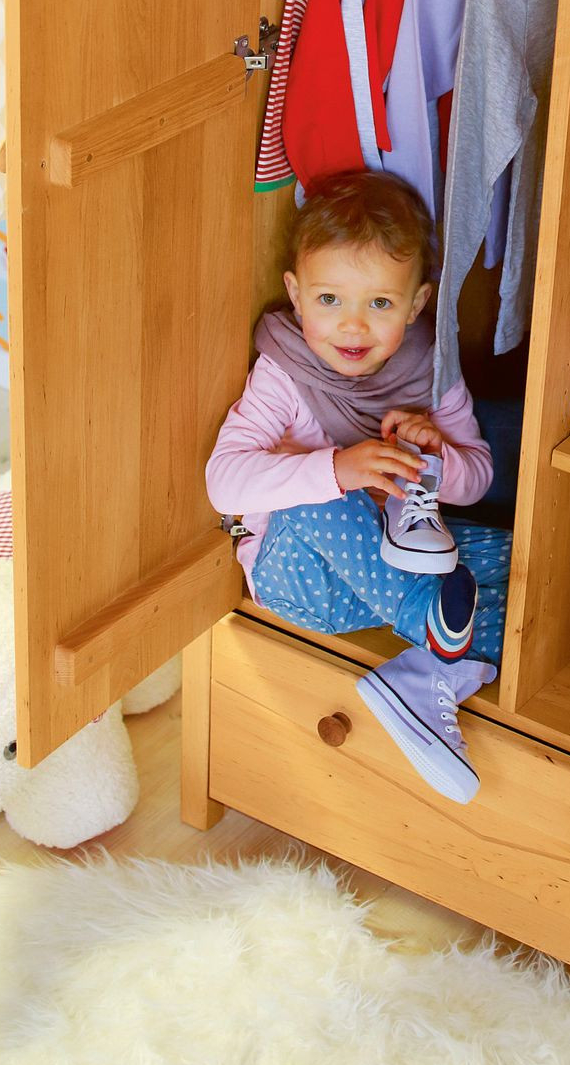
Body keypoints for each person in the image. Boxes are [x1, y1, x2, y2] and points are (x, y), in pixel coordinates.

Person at [206, 171, 509, 804]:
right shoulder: (284, 373)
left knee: (522, 566)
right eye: (329, 301)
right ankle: (427, 628)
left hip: (385, 583)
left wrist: (436, 457)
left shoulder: (432, 371)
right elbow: (223, 480)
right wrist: (335, 468)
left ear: (417, 305)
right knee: (320, 493)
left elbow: (479, 473)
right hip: (301, 578)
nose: (352, 327)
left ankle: (428, 672)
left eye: (379, 304)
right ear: (295, 293)